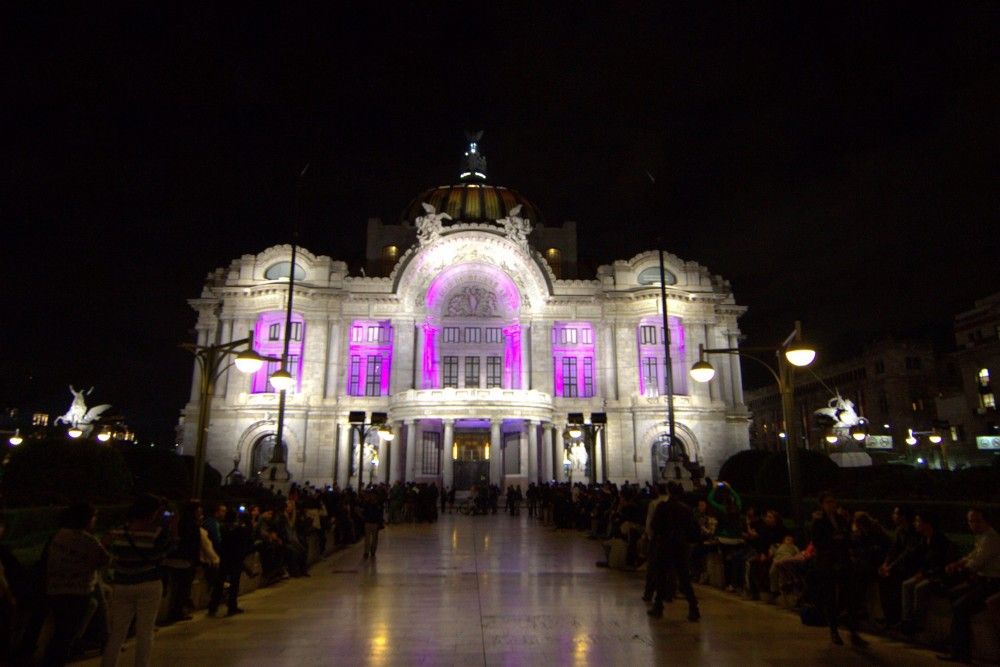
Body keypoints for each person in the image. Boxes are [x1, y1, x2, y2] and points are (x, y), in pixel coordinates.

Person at [101, 494, 172, 667]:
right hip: (149, 583)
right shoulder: (156, 532)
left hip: (123, 583)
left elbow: (105, 552)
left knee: (118, 631)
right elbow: (164, 553)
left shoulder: (118, 532)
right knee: (145, 631)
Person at [43, 502, 111, 667]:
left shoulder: (59, 535)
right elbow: (104, 560)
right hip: (78, 592)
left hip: (55, 590)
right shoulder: (87, 540)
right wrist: (105, 542)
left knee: (60, 632)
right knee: (68, 634)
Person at [938, 509, 1000, 664]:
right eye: (971, 521)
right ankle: (955, 637)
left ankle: (961, 651)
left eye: (977, 521)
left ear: (986, 521)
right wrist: (957, 564)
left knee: (961, 607)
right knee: (953, 595)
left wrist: (958, 568)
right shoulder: (983, 537)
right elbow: (971, 556)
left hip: (992, 583)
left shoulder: (992, 539)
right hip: (983, 581)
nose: (973, 524)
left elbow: (976, 562)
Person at [810, 492, 867, 647]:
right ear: (822, 504)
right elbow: (818, 542)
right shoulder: (819, 522)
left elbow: (846, 537)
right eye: (828, 502)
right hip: (828, 563)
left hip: (842, 561)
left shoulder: (841, 519)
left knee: (850, 597)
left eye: (833, 501)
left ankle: (853, 632)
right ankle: (834, 630)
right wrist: (834, 540)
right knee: (831, 598)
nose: (831, 505)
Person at [646, 482, 700, 622]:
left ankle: (658, 606)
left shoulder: (662, 507)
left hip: (665, 545)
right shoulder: (686, 509)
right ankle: (693, 607)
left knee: (661, 576)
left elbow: (655, 525)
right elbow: (693, 529)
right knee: (684, 578)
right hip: (681, 546)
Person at [362, 490, 384, 559]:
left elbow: (380, 514)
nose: (372, 497)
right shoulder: (367, 503)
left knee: (374, 538)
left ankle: (373, 550)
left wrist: (380, 523)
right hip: (368, 522)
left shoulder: (378, 504)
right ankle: (366, 551)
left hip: (375, 523)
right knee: (367, 539)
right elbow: (364, 512)